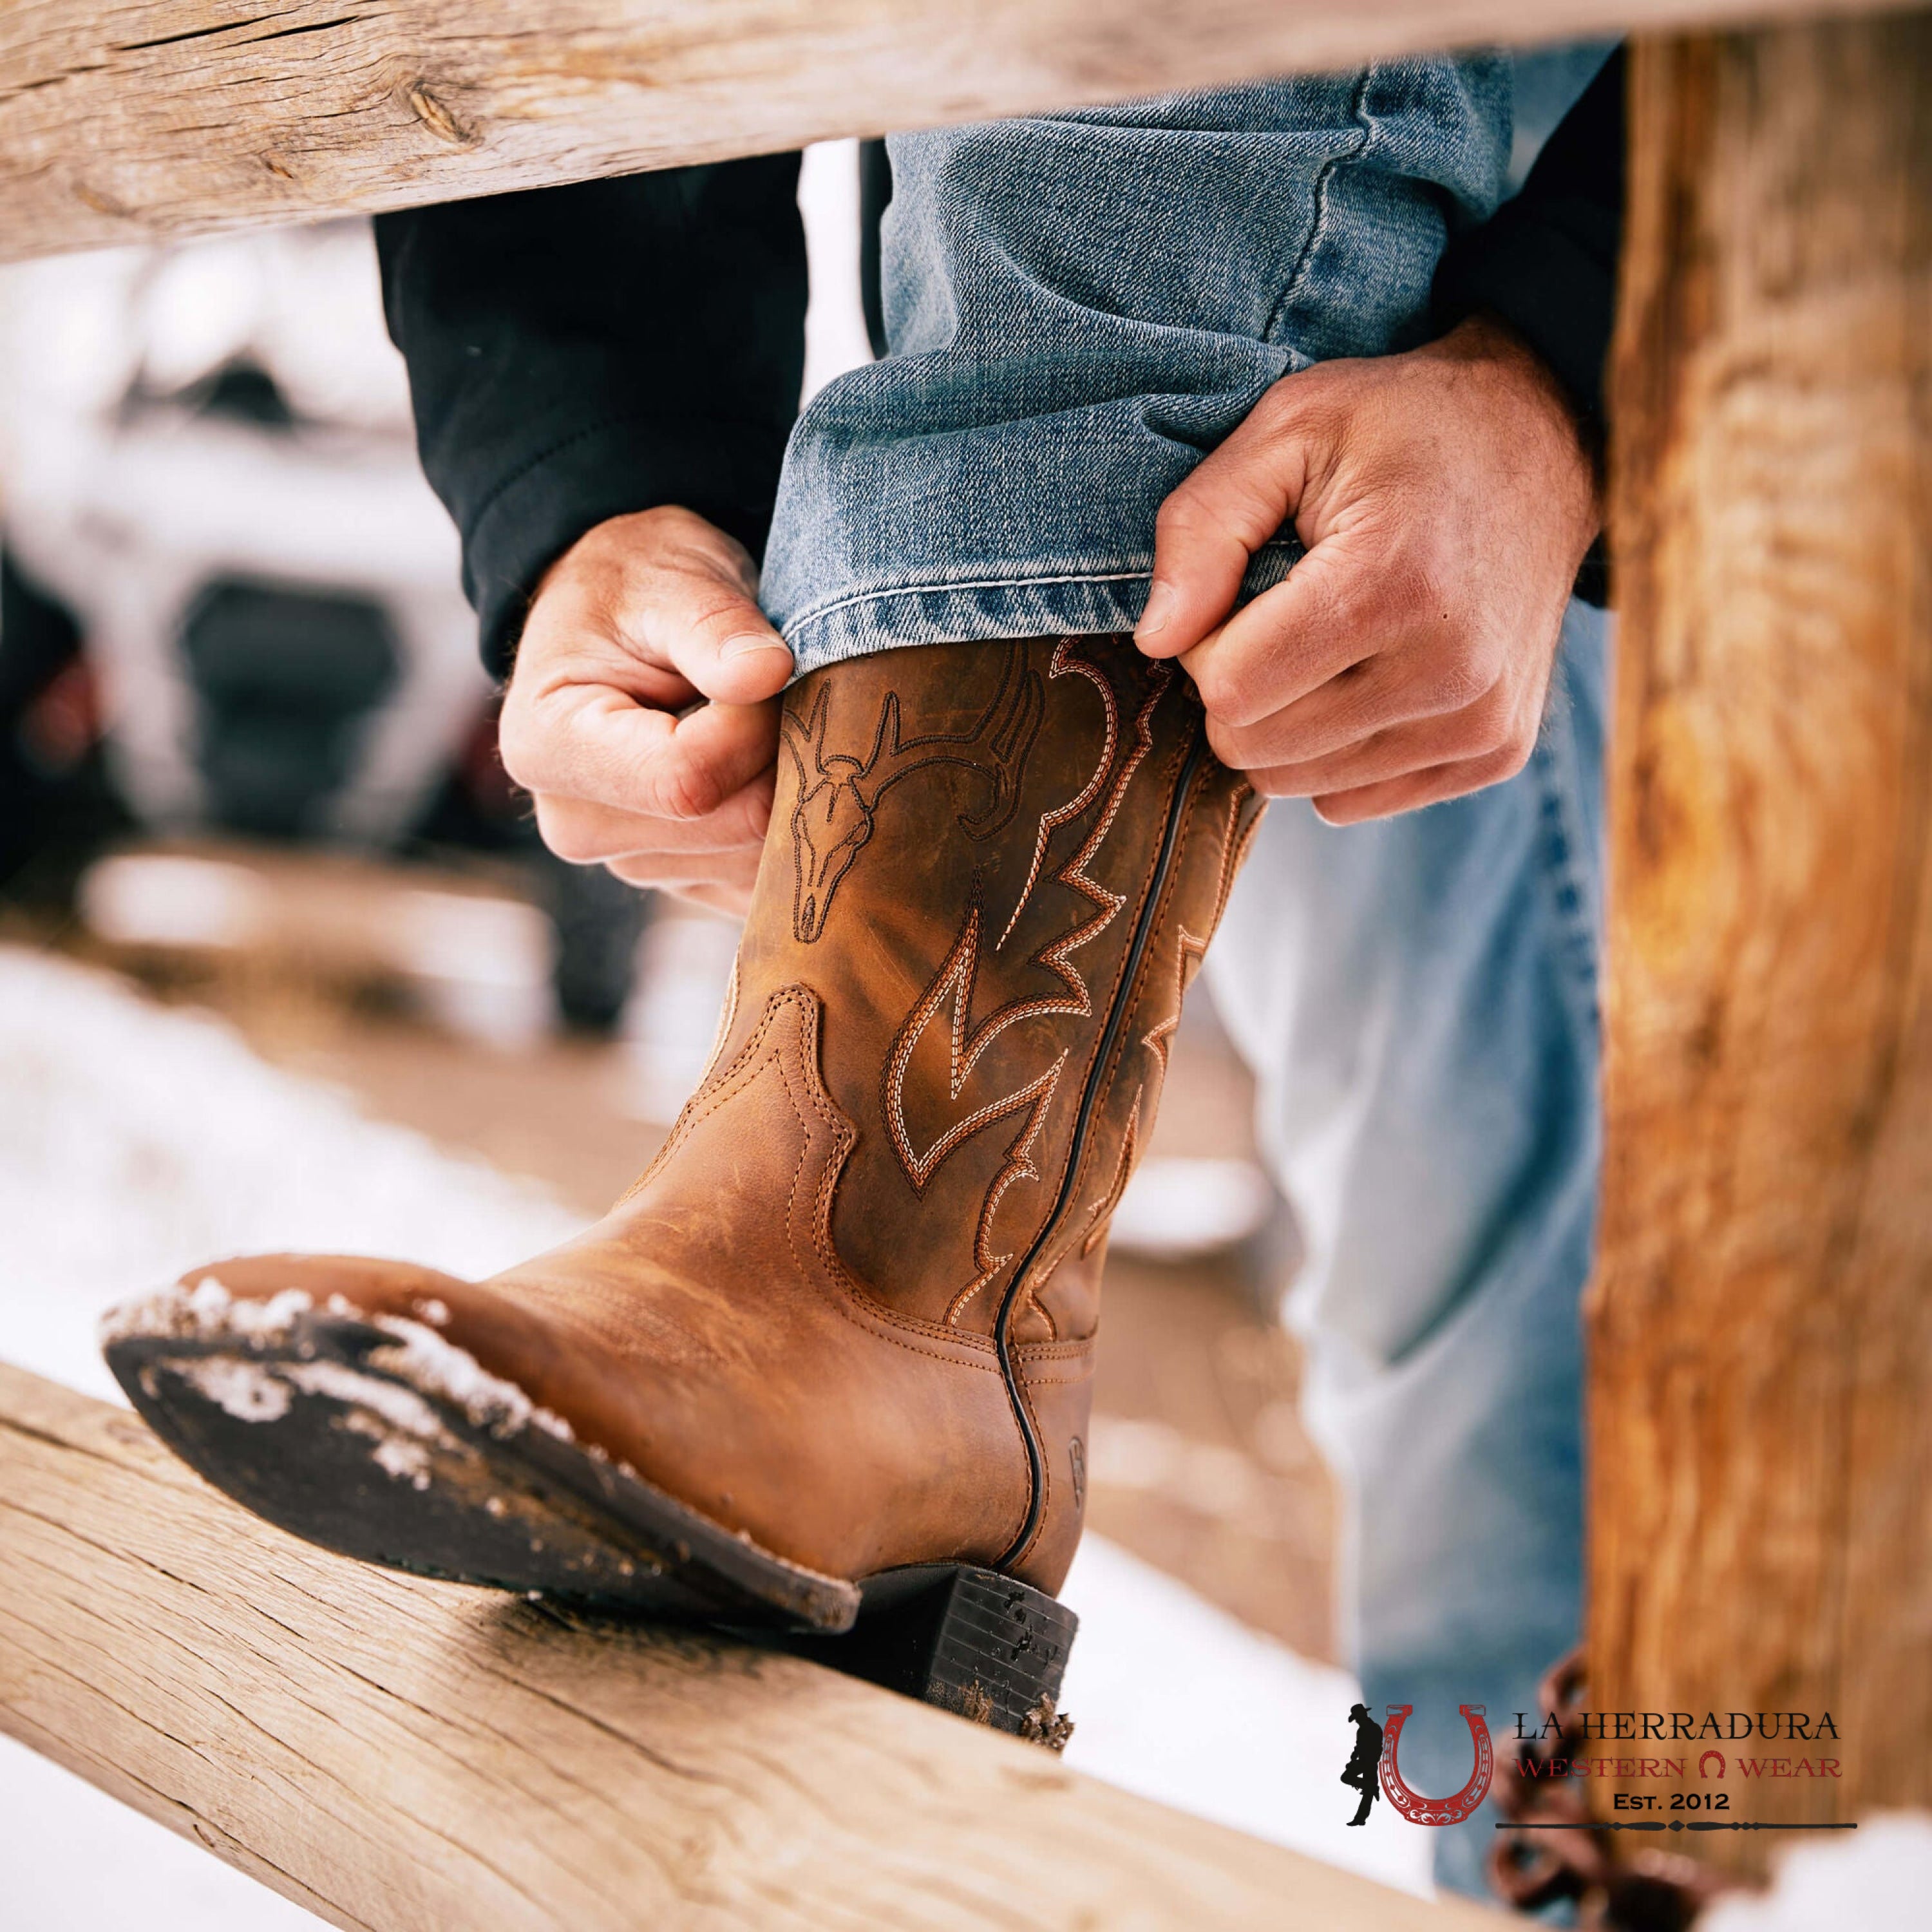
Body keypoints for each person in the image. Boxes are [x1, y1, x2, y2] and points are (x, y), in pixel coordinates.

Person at [104, 46, 1620, 1900]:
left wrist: (1579, 367)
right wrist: (595, 482)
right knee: (1448, 1297)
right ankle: (902, 1317)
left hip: (1724, 271)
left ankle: (874, 1293)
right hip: (1283, 436)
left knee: (1540, 1349)